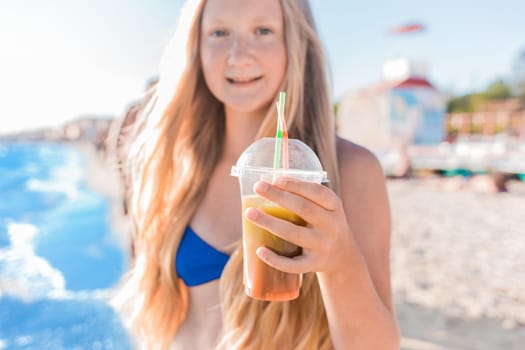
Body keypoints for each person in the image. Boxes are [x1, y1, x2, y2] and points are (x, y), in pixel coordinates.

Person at [113, 0, 400, 349]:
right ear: (196, 46)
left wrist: (339, 264)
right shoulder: (174, 164)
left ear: (292, 43)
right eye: (220, 33)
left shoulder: (351, 171)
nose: (239, 55)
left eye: (262, 31)